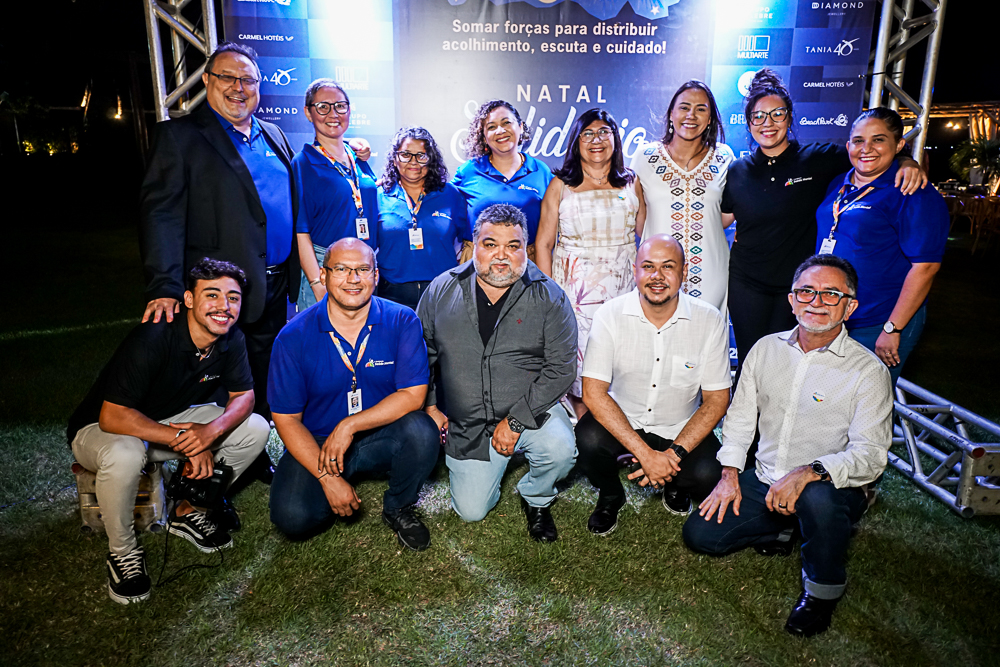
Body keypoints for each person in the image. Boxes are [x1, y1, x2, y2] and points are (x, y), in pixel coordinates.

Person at [684, 254, 892, 637]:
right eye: (807, 291)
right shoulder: (765, 350)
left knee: (817, 500)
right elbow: (740, 420)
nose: (817, 302)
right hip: (767, 477)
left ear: (850, 306)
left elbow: (872, 455)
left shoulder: (868, 371)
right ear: (792, 300)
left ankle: (821, 593)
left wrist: (809, 473)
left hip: (830, 486)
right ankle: (784, 528)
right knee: (701, 535)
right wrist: (729, 475)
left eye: (831, 294)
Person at [67, 258, 271, 604]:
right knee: (126, 453)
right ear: (188, 299)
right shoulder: (154, 337)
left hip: (164, 419)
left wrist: (209, 433)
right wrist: (189, 442)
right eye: (212, 295)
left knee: (255, 428)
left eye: (233, 298)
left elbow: (244, 397)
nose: (224, 306)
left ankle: (188, 510)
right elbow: (113, 416)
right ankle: (123, 553)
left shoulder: (230, 337)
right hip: (100, 428)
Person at [139, 42, 294, 482]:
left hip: (274, 282)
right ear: (206, 81)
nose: (238, 87)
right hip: (219, 291)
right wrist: (165, 285)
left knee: (262, 370)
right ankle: (208, 458)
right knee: (223, 375)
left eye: (248, 80)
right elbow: (161, 215)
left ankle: (254, 450)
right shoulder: (180, 137)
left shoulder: (274, 135)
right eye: (227, 77)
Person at [722, 68, 928, 373]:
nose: (768, 123)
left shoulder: (819, 158)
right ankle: (745, 407)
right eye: (759, 116)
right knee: (750, 361)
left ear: (789, 118)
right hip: (746, 284)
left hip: (799, 289)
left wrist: (907, 161)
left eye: (777, 114)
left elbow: (869, 154)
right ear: (749, 122)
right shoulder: (737, 171)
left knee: (790, 367)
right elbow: (721, 218)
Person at [417, 204, 578, 542]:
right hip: (470, 422)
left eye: (512, 246)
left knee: (560, 450)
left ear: (526, 250)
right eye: (490, 244)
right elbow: (422, 355)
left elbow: (561, 369)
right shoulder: (441, 289)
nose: (501, 255)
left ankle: (536, 496)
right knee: (471, 510)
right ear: (473, 245)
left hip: (531, 412)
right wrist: (430, 406)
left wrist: (516, 421)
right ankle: (491, 465)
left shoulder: (550, 297)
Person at [268, 238, 439, 551]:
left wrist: (349, 425)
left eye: (362, 269)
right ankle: (334, 486)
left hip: (380, 434)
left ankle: (398, 508)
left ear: (376, 276)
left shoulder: (402, 320)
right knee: (293, 516)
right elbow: (286, 419)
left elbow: (413, 395)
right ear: (323, 275)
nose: (353, 279)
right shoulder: (292, 337)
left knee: (421, 430)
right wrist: (328, 480)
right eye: (342, 269)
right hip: (321, 443)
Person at [576, 235, 731, 535]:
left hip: (679, 427)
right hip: (625, 421)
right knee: (587, 439)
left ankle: (673, 482)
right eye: (648, 266)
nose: (657, 276)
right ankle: (611, 494)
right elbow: (593, 393)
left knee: (708, 474)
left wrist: (671, 457)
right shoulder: (610, 315)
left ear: (684, 272)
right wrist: (645, 455)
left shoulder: (709, 319)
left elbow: (716, 400)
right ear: (635, 270)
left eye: (668, 266)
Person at [816, 107, 949, 384]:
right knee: (828, 399)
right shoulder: (838, 184)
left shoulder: (912, 192)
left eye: (878, 140)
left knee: (867, 405)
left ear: (899, 145)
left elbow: (925, 267)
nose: (866, 148)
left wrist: (893, 328)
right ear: (848, 145)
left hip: (880, 320)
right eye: (858, 140)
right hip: (835, 316)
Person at [535, 108, 645, 418]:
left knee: (620, 363)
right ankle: (584, 433)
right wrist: (549, 297)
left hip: (623, 293)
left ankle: (619, 430)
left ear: (615, 139)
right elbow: (543, 244)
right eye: (588, 134)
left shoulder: (631, 182)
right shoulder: (560, 185)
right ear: (576, 141)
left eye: (604, 132)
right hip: (575, 297)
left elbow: (647, 236)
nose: (596, 140)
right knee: (580, 370)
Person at [630, 81, 734, 316]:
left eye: (701, 109)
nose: (691, 115)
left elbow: (726, 214)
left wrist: (702, 224)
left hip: (710, 271)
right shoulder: (645, 157)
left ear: (710, 119)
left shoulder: (724, 157)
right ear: (671, 114)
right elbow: (638, 219)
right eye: (684, 107)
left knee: (706, 328)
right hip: (657, 272)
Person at [292, 79, 380, 310]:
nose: (333, 114)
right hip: (328, 269)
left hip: (365, 268)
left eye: (340, 106)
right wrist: (316, 282)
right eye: (323, 107)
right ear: (308, 113)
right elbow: (301, 232)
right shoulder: (304, 163)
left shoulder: (357, 157)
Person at [375, 126, 470, 310]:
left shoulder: (451, 195)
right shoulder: (379, 196)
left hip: (442, 292)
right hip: (392, 294)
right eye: (405, 155)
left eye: (421, 156)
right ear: (395, 159)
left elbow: (466, 240)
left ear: (431, 160)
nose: (414, 162)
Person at [451, 100, 553, 258]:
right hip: (478, 261)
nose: (500, 131)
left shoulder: (541, 171)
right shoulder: (468, 171)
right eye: (491, 127)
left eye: (506, 123)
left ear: (521, 127)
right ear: (484, 137)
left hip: (527, 261)